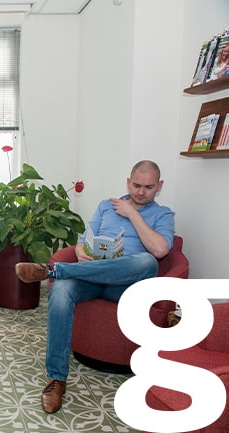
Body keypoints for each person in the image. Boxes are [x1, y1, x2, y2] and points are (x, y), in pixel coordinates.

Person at [15, 160, 175, 414]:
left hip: (125, 286)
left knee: (147, 261)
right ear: (128, 182)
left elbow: (160, 249)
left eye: (148, 187)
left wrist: (132, 213)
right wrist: (81, 252)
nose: (141, 192)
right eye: (136, 185)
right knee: (60, 291)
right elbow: (82, 241)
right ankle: (56, 379)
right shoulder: (105, 206)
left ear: (159, 186)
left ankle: (54, 270)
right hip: (91, 278)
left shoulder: (163, 214)